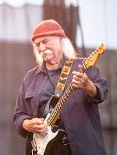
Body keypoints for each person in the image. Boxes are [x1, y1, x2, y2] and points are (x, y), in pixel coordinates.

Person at [13, 19, 108, 155]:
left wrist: (89, 86)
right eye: (37, 44)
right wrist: (26, 124)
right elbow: (18, 115)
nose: (41, 47)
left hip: (80, 149)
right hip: (41, 150)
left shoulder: (84, 66)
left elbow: (102, 91)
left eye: (45, 41)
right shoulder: (30, 77)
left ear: (61, 41)